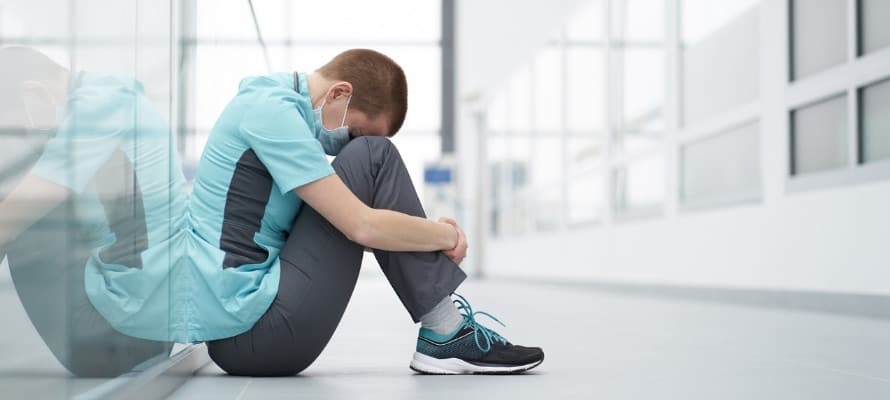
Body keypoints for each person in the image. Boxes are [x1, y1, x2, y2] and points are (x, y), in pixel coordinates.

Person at [191, 49, 544, 375]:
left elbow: (351, 236)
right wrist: (445, 235)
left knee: (371, 163)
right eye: (356, 133)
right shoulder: (271, 112)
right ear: (339, 93)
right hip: (253, 335)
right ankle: (447, 331)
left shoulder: (280, 108)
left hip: (248, 329)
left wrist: (424, 237)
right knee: (376, 156)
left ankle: (446, 330)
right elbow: (360, 226)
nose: (348, 145)